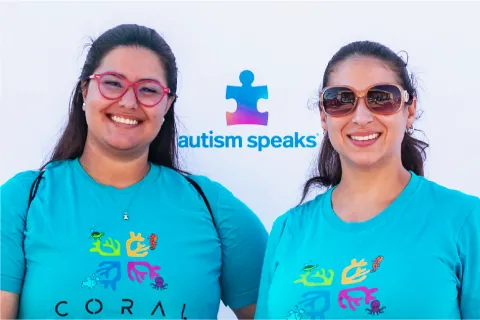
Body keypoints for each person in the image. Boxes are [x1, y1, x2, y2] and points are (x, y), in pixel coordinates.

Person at [0, 24, 268, 319]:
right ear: (85, 90)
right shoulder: (21, 201)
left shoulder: (215, 208)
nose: (128, 102)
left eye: (148, 90)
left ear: (167, 105)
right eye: (112, 83)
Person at [254, 40, 479, 319]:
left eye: (382, 98)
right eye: (341, 100)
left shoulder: (465, 220)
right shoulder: (288, 230)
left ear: (409, 110)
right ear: (324, 116)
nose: (361, 117)